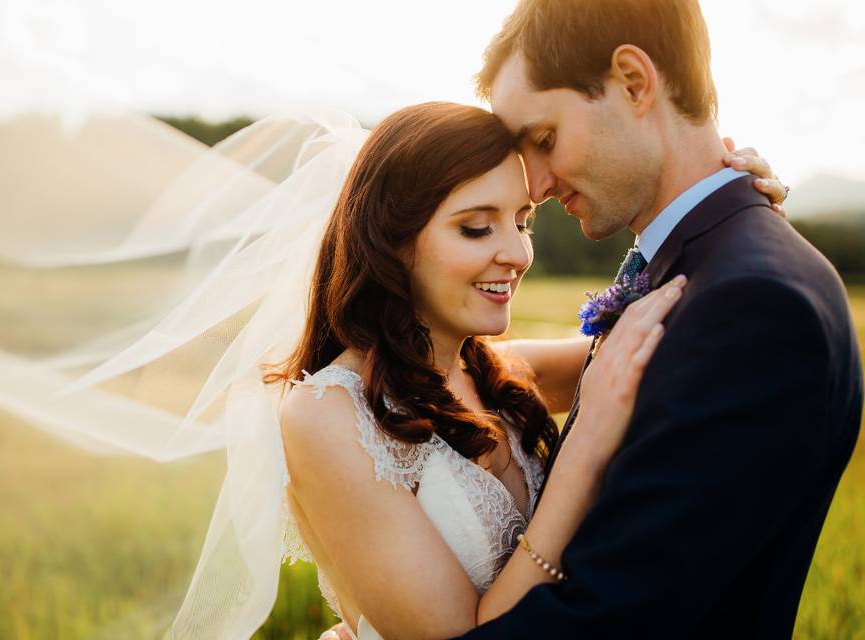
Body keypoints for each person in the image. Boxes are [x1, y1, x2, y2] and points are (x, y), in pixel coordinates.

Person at [276, 101, 790, 640]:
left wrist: (729, 218)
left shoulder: (496, 372)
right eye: (477, 228)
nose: (518, 253)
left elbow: (653, 337)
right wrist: (587, 440)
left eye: (522, 222)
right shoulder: (327, 415)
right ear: (392, 241)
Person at [444, 0, 862, 637]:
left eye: (545, 140)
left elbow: (610, 620)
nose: (535, 185)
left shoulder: (752, 306)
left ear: (634, 82)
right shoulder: (694, 263)